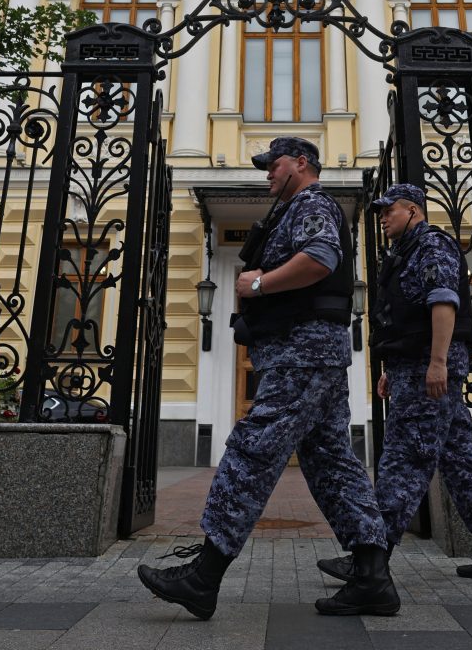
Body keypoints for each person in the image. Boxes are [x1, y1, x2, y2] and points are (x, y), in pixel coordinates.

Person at [137, 136, 400, 620]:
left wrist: (257, 283)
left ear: (301, 163)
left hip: (303, 353)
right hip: (308, 353)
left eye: (273, 165)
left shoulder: (313, 203)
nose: (267, 174)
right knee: (331, 462)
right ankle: (371, 577)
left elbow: (321, 258)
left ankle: (204, 576)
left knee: (251, 450)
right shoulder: (294, 207)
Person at [317, 183, 472, 584]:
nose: (382, 218)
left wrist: (437, 363)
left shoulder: (432, 246)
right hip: (413, 367)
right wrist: (389, 370)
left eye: (388, 210)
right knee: (460, 458)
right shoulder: (405, 252)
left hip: (429, 370)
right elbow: (403, 317)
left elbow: (444, 303)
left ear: (412, 210)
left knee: (404, 457)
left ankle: (372, 559)